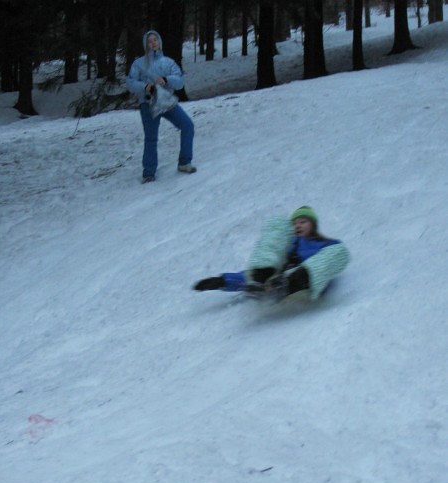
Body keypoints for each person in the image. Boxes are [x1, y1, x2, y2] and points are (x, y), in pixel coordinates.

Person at [193, 206, 350, 301]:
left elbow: (330, 263)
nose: (298, 225)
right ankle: (261, 282)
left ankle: (283, 286)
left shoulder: (325, 245)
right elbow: (264, 259)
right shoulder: (286, 246)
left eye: (303, 222)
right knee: (278, 226)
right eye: (295, 223)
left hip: (308, 280)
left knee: (337, 250)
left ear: (313, 225)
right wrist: (222, 281)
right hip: (278, 281)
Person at [126, 30, 196, 183]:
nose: (153, 43)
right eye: (149, 41)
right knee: (151, 138)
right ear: (145, 45)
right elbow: (130, 83)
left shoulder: (168, 62)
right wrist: (145, 87)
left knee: (187, 125)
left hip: (167, 102)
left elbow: (180, 81)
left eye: (155, 40)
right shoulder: (138, 64)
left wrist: (167, 79)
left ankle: (184, 162)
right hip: (148, 104)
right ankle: (148, 173)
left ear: (160, 42)